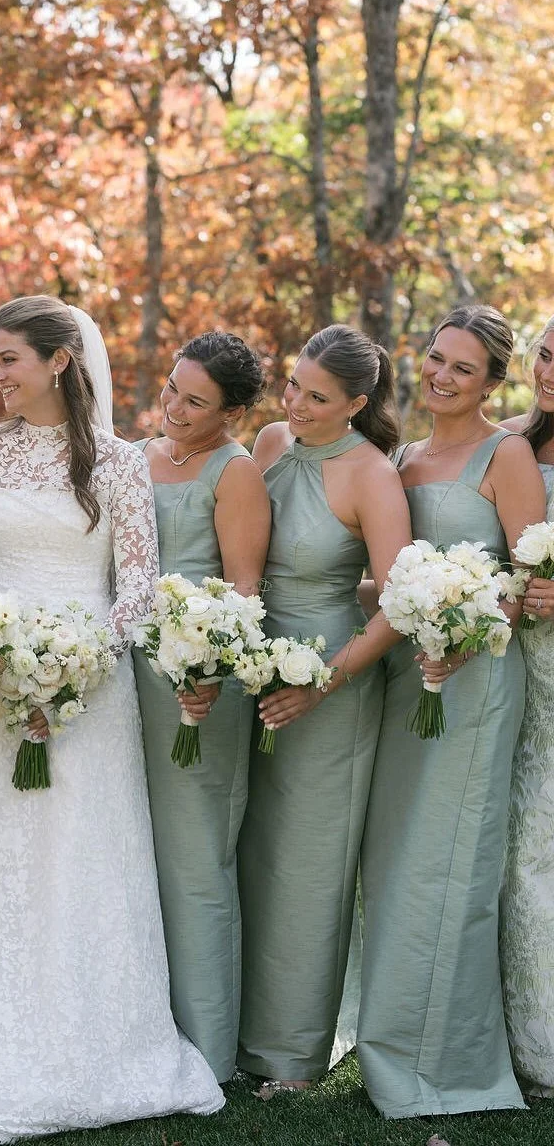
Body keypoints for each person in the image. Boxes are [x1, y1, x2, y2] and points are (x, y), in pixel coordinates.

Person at [0, 295, 224, 1143]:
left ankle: (97, 1051)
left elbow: (136, 581)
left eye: (8, 360)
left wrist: (73, 670)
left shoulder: (120, 462)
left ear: (59, 359)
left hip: (88, 692)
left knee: (78, 861)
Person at [358, 304, 545, 1118]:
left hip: (475, 681)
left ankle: (450, 1066)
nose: (440, 376)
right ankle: (390, 1043)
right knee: (400, 861)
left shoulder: (507, 454)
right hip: (407, 683)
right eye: (435, 359)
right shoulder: (399, 458)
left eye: (462, 369)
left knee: (455, 862)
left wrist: (468, 635)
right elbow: (382, 573)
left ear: (492, 384)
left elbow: (530, 581)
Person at [236, 324, 412, 1089]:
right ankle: (236, 1030)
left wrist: (324, 681)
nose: (295, 402)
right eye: (294, 383)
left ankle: (294, 1052)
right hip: (252, 665)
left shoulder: (372, 475)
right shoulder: (273, 441)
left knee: (308, 862)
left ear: (357, 403)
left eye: (316, 395)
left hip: (329, 680)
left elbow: (398, 603)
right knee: (250, 849)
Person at [133, 331, 270, 1082]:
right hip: (128, 676)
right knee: (135, 852)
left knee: (196, 859)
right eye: (172, 389)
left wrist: (208, 666)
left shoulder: (235, 471)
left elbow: (244, 587)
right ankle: (144, 1029)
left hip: (197, 685)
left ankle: (210, 1049)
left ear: (234, 410)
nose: (175, 408)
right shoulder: (132, 455)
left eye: (196, 400)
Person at [499, 311, 554, 1097]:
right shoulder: (512, 441)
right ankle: (531, 1040)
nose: (550, 370)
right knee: (523, 851)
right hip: (522, 672)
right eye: (547, 353)